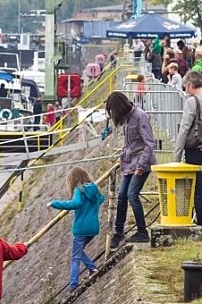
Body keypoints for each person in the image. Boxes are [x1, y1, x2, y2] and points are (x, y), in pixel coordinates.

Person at [172, 71, 202, 240]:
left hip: (196, 149)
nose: (185, 90)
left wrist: (176, 156)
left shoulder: (192, 102)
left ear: (191, 85)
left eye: (186, 86)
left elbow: (184, 129)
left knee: (198, 191)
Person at [104, 91, 157, 247]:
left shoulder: (140, 116)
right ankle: (118, 232)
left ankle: (142, 232)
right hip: (129, 163)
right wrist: (122, 157)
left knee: (132, 194)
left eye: (112, 111)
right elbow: (129, 144)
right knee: (122, 195)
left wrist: (141, 166)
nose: (112, 114)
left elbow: (149, 143)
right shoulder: (126, 119)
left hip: (142, 163)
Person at [49, 167, 105, 291]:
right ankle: (92, 268)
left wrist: (54, 203)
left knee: (75, 257)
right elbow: (101, 199)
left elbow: (75, 204)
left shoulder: (78, 190)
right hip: (93, 228)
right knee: (79, 251)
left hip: (81, 229)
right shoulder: (94, 188)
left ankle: (73, 285)